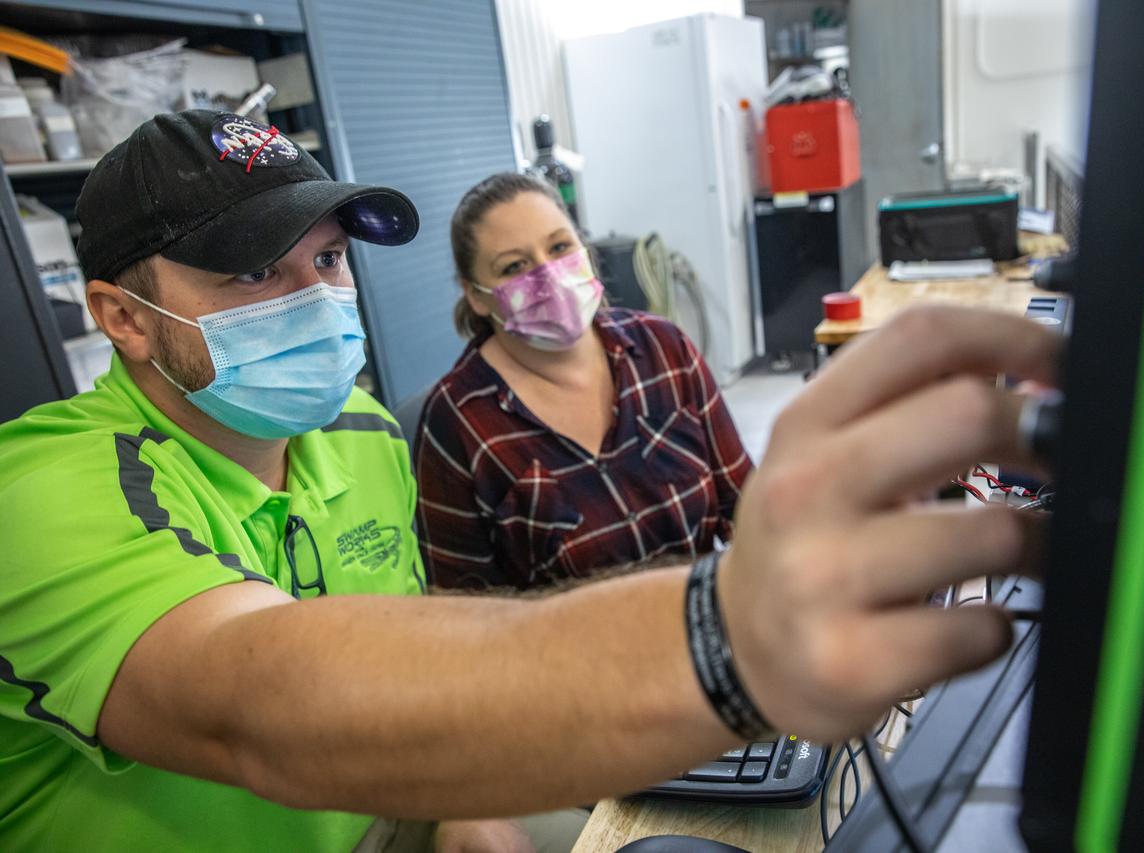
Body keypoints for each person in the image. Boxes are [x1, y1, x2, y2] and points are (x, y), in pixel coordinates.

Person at [0, 110, 1061, 852]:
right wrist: (731, 633)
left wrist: (459, 794)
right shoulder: (40, 493)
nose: (315, 298)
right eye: (250, 274)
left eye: (325, 262)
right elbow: (260, 702)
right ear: (125, 316)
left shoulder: (359, 432)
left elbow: (415, 648)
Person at [415, 172, 752, 590]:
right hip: (565, 654)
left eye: (559, 247)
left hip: (701, 630)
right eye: (514, 266)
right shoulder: (460, 420)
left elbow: (745, 506)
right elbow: (464, 609)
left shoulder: (665, 350)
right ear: (477, 295)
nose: (549, 275)